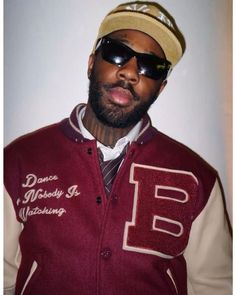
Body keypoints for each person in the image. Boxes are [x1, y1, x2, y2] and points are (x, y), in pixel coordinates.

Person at [4, 1, 232, 295]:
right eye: (117, 52)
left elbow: (215, 287)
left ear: (161, 87)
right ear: (91, 63)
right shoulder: (18, 162)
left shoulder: (197, 178)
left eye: (151, 66)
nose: (131, 72)